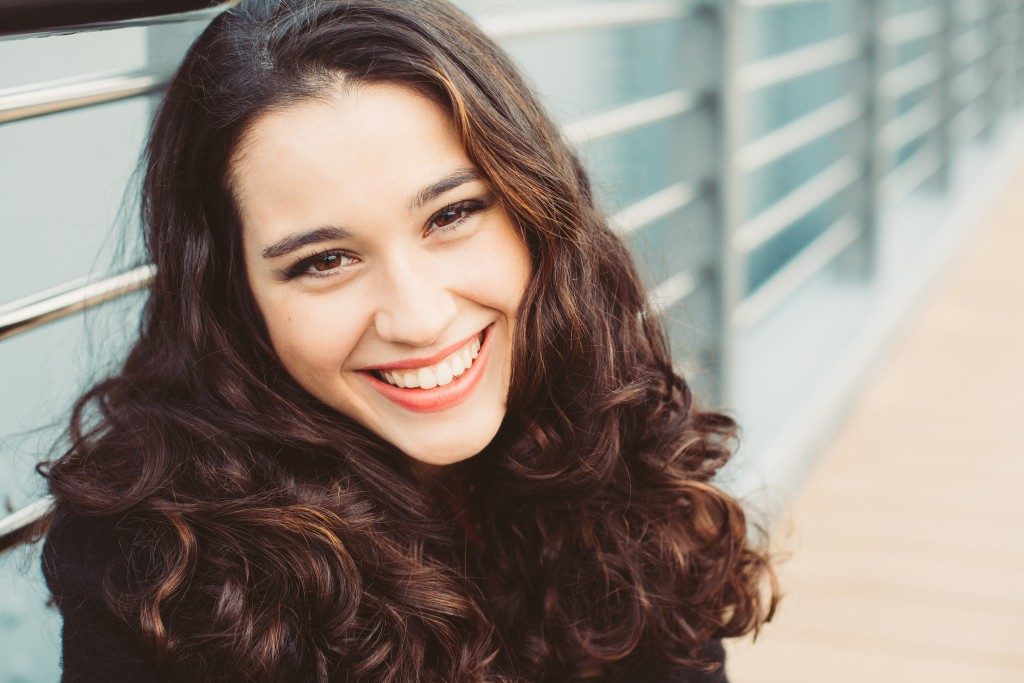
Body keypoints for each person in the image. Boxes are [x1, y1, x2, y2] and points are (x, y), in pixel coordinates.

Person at [37, 0, 780, 680]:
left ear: (535, 211)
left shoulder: (609, 424)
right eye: (324, 261)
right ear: (234, 301)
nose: (419, 318)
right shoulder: (152, 568)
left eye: (451, 216)